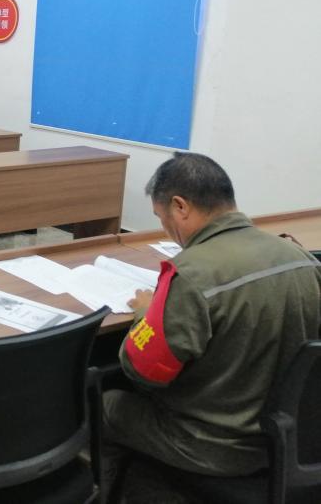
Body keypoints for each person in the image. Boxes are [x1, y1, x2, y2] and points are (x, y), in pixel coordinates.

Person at [102, 152, 321, 487]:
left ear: (180, 206)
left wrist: (146, 312)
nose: (166, 230)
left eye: (162, 218)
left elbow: (143, 371)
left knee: (106, 403)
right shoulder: (300, 256)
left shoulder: (192, 274)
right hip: (294, 437)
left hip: (215, 446)